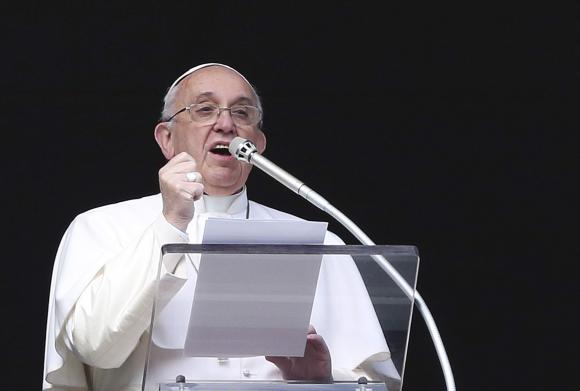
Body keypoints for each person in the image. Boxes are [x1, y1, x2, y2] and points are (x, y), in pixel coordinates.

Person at [43, 63, 400, 391]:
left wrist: (320, 380)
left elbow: (369, 383)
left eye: (242, 112)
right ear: (166, 139)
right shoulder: (102, 228)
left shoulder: (321, 243)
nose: (226, 124)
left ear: (257, 143)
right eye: (204, 109)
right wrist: (171, 223)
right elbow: (94, 348)